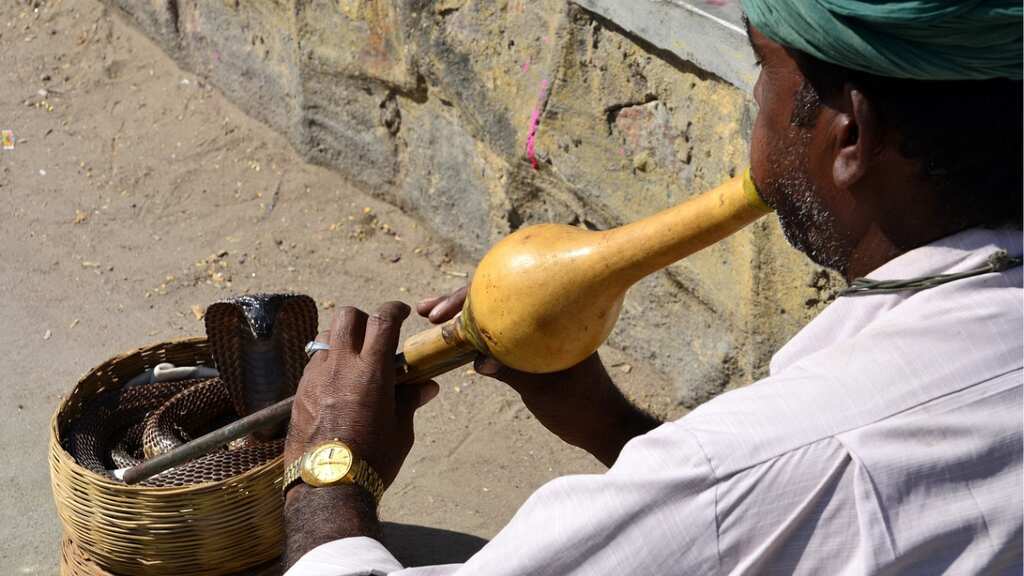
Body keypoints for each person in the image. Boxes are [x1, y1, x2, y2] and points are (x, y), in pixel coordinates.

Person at [282, 1, 1023, 574]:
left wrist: (329, 469)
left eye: (763, 72)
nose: (755, 106)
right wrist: (611, 425)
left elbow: (757, 485)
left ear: (850, 136)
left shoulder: (748, 466)